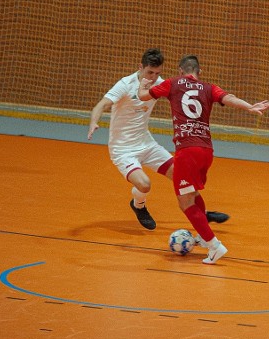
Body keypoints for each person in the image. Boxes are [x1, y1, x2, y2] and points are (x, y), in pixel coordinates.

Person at [138, 55, 269, 264]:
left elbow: (144, 97)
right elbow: (229, 98)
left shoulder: (172, 83)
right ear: (198, 72)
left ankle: (214, 245)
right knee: (193, 193)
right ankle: (203, 234)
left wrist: (142, 85)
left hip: (187, 150)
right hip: (206, 151)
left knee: (185, 202)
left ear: (181, 71)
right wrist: (250, 107)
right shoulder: (208, 87)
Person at [88, 48, 229, 230]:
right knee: (145, 185)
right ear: (140, 67)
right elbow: (102, 104)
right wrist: (93, 122)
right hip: (123, 149)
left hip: (147, 144)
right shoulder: (125, 84)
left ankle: (201, 215)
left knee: (185, 178)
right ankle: (138, 205)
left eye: (157, 73)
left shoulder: (160, 84)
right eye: (149, 72)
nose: (153, 77)